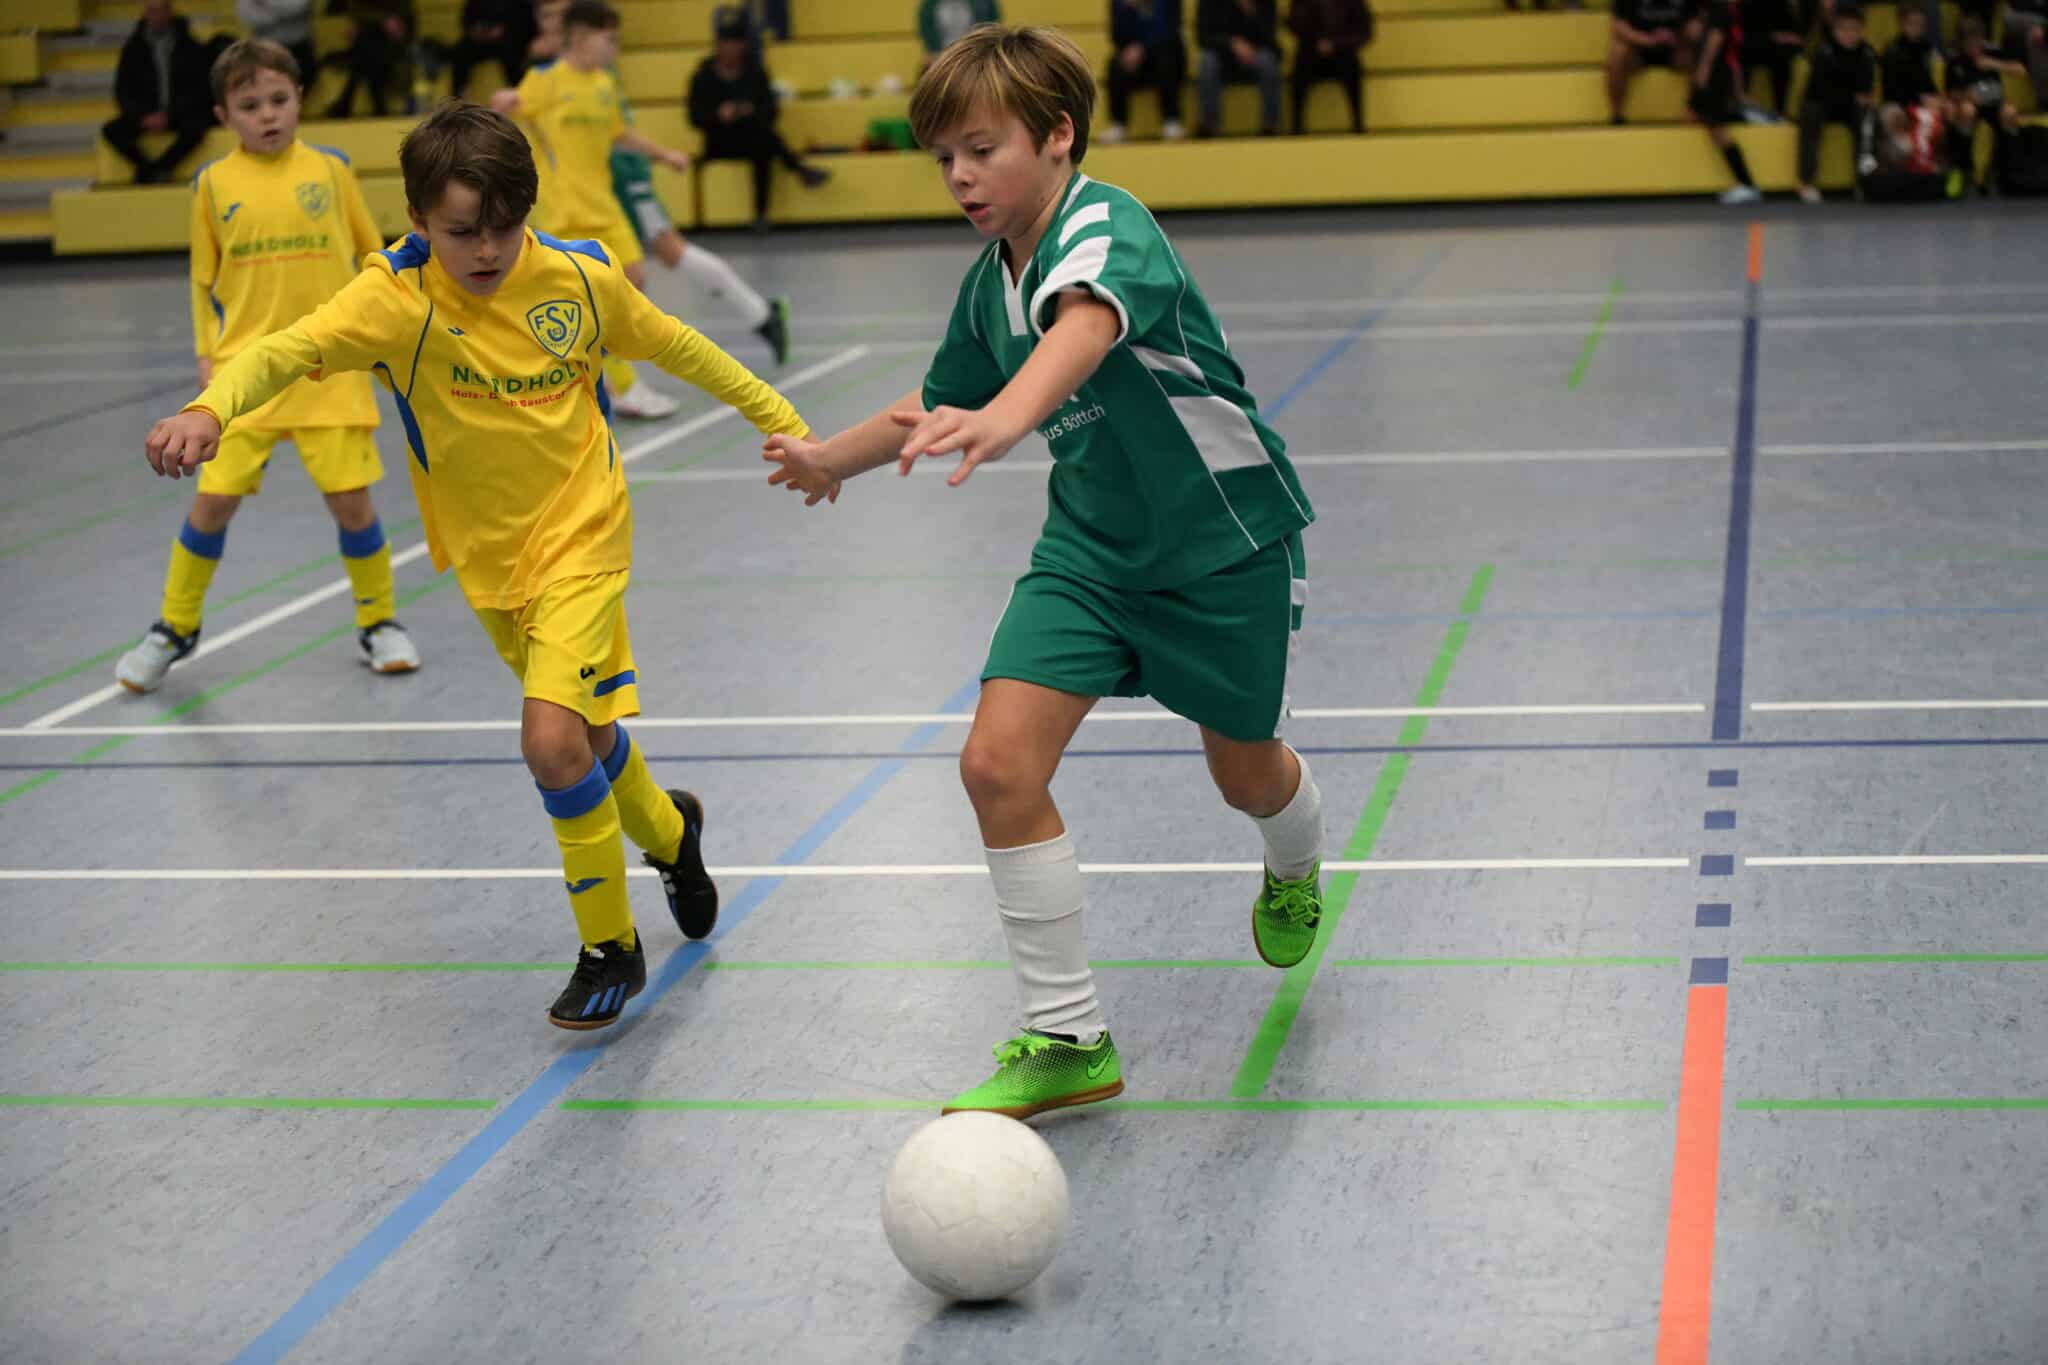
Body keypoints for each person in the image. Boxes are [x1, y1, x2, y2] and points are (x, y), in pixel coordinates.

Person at [143, 101, 813, 1031]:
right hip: (487, 562)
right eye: (463, 231)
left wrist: (788, 424)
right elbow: (285, 351)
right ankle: (672, 833)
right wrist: (210, 408)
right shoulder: (393, 299)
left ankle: (609, 948)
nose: (488, 248)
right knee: (585, 736)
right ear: (418, 218)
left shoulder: (578, 278)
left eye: (505, 225)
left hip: (584, 538)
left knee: (549, 740)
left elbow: (680, 347)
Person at [761, 25, 1325, 1120]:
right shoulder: (989, 285)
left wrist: (1013, 416)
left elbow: (1084, 328)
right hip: (1089, 554)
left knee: (1245, 774)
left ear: (1058, 135)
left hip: (1223, 544)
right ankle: (1068, 1037)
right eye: (945, 158)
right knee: (994, 764)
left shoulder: (1108, 225)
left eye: (982, 150)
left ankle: (1295, 860)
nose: (961, 177)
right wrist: (832, 459)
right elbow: (939, 402)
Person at [117, 39, 420, 694]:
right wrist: (207, 354)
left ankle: (379, 621)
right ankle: (175, 626)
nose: (268, 114)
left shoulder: (333, 171)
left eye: (279, 99)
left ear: (299, 99)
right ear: (224, 115)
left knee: (353, 504)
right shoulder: (211, 184)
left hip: (330, 369)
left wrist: (389, 334)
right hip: (243, 376)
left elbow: (374, 259)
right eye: (250, 105)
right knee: (212, 503)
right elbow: (202, 280)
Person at [493, 0, 702, 418]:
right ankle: (618, 384)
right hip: (564, 211)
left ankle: (603, 376)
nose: (615, 49)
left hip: (604, 205)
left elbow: (620, 134)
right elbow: (505, 109)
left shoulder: (605, 84)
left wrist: (665, 155)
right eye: (610, 41)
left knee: (633, 282)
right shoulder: (545, 81)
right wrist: (504, 104)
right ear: (582, 38)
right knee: (584, 299)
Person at [687, 11, 833, 231]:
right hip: (718, 140)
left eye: (736, 44)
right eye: (726, 44)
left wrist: (750, 110)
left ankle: (761, 215)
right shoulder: (703, 76)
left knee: (762, 141)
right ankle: (799, 169)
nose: (731, 49)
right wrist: (718, 115)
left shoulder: (755, 73)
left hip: (750, 136)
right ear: (718, 46)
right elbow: (694, 117)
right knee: (765, 137)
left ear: (744, 46)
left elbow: (772, 111)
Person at [103, 0, 218, 185]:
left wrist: (170, 114)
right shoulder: (132, 49)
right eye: (151, 11)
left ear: (169, 11)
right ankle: (149, 168)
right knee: (111, 131)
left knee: (197, 127)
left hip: (180, 114)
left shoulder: (189, 46)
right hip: (144, 115)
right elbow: (122, 91)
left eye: (159, 10)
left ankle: (161, 168)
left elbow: (200, 90)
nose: (156, 16)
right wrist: (143, 115)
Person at [1796, 2, 1876, 201]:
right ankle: (1807, 182)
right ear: (1834, 31)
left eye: (1854, 29)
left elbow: (1865, 90)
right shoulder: (1824, 52)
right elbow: (1821, 89)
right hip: (1823, 104)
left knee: (1867, 116)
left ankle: (1863, 180)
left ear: (1862, 30)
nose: (1849, 34)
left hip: (1848, 107)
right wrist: (1852, 93)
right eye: (1844, 29)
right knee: (1810, 112)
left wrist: (1858, 97)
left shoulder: (1867, 53)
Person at [1691, 0, 1762, 202]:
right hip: (1721, 75)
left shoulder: (1720, 11)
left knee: (1718, 129)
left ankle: (1747, 184)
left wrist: (1703, 69)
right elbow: (1733, 56)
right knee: (1700, 117)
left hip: (1715, 77)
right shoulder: (1729, 13)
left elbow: (1715, 40)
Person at [1103, 0, 1188, 142]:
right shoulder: (1120, 3)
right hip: (1133, 58)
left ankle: (1171, 121)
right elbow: (1116, 35)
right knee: (1115, 65)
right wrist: (1128, 10)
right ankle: (1118, 125)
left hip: (1165, 53)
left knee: (1167, 62)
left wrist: (1143, 48)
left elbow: (1170, 31)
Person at [1196, 0, 1283, 137]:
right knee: (1207, 62)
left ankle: (1271, 124)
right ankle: (1210, 125)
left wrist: (1251, 13)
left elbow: (1269, 36)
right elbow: (1203, 37)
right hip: (1221, 53)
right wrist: (1232, 44)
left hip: (1255, 52)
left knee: (1268, 61)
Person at [1606, 0, 1701, 124]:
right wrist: (1649, 40)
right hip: (1639, 48)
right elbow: (1619, 26)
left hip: (1676, 48)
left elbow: (1695, 24)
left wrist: (1677, 38)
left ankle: (1695, 109)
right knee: (1618, 53)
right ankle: (1617, 115)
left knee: (1702, 52)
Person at [1287, 0, 1371, 134]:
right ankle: (1297, 124)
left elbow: (1364, 33)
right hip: (1311, 51)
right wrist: (1316, 41)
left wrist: (1335, 44)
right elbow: (1293, 24)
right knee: (1299, 70)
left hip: (1343, 53)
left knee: (1353, 67)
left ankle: (1358, 123)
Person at [324, 0, 416, 118]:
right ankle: (377, 104)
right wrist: (381, 19)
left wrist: (395, 25)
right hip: (370, 43)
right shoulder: (363, 8)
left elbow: (404, 27)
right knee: (367, 49)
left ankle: (346, 102)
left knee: (365, 53)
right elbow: (359, 12)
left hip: (392, 45)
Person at [1739, 0, 1807, 115]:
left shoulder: (1785, 5)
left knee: (1787, 57)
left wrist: (1794, 10)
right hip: (1751, 42)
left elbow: (1793, 29)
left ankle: (1783, 111)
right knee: (1779, 58)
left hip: (1776, 44)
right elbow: (1746, 27)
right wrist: (1774, 37)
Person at [235, 0, 315, 86]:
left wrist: (265, 3)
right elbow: (246, 16)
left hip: (299, 47)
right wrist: (284, 14)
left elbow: (299, 6)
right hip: (265, 51)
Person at [1882, 3, 1940, 107]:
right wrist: (1919, 98)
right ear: (1902, 24)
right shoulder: (1892, 51)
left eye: (1921, 24)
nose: (1917, 27)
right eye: (1912, 23)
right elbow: (1892, 88)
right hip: (1896, 102)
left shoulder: (1927, 49)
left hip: (1924, 100)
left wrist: (1934, 96)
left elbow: (1928, 80)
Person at [919, 0, 1002, 70]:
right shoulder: (930, 5)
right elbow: (928, 37)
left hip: (975, 58)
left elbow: (991, 29)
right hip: (942, 60)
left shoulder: (984, 3)